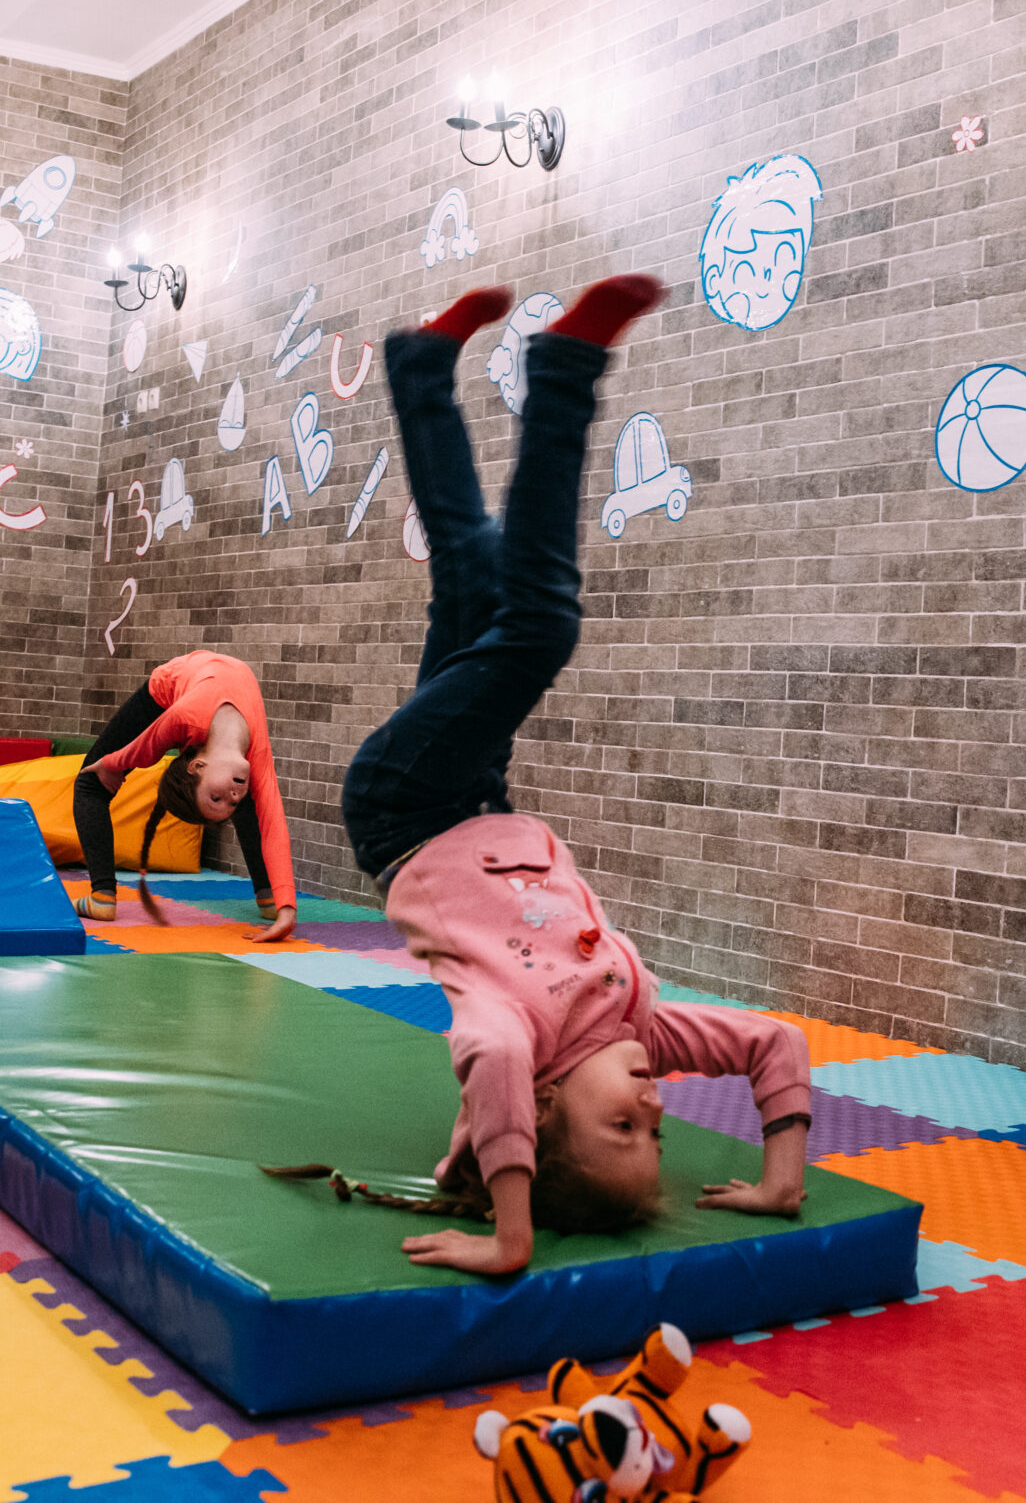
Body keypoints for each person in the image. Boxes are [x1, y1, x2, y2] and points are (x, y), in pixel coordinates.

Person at [334, 275, 812, 1278]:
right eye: (658, 1132)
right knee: (473, 568)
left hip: (406, 809)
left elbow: (495, 1066)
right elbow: (772, 1043)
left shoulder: (511, 1031)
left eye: (622, 1129)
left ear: (543, 1105)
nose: (652, 1103)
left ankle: (565, 371)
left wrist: (511, 1237)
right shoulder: (645, 1031)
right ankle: (421, 368)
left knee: (540, 625)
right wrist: (780, 1178)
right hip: (481, 800)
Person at [72, 653, 297, 939]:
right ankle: (102, 894)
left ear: (196, 765)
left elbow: (148, 745)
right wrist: (110, 765)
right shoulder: (241, 747)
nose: (231, 796)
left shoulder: (189, 720)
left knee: (242, 787)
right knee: (243, 787)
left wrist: (109, 764)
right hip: (186, 689)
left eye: (218, 799)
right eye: (223, 800)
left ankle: (270, 896)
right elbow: (150, 743)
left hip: (186, 689)